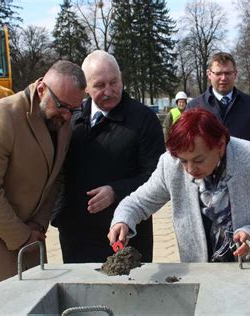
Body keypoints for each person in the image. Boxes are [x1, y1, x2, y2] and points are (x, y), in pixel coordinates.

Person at [108, 109, 250, 274]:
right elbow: (138, 202)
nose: (190, 168)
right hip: (204, 271)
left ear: (220, 146)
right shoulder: (170, 164)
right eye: (183, 161)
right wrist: (123, 220)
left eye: (199, 160)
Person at [0, 61, 87, 295]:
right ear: (42, 89)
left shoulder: (62, 122)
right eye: (62, 106)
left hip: (30, 237)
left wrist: (39, 224)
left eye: (74, 109)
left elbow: (56, 179)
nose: (67, 115)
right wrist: (22, 236)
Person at [51, 51, 165, 264]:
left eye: (114, 82)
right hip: (76, 233)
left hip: (126, 232)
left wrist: (116, 191)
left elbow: (157, 177)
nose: (109, 91)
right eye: (100, 85)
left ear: (121, 78)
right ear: (85, 87)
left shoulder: (143, 120)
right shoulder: (70, 117)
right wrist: (58, 213)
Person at [187, 52, 250, 147]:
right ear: (209, 74)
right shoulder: (194, 107)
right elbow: (187, 146)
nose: (223, 78)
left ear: (235, 74)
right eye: (218, 73)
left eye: (228, 73)